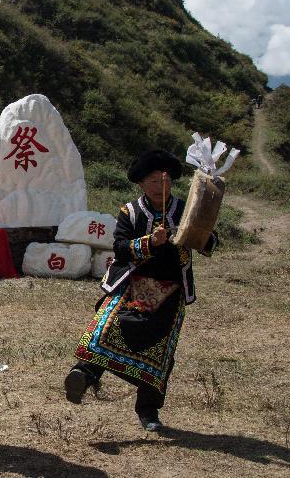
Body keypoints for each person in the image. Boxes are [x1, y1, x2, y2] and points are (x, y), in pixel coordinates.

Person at [64, 149, 218, 431]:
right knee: (106, 328)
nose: (161, 188)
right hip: (132, 286)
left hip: (171, 290)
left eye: (165, 181)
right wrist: (149, 242)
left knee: (161, 352)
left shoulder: (185, 209)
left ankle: (148, 411)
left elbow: (209, 241)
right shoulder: (130, 212)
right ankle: (84, 374)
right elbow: (121, 249)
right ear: (141, 185)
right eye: (153, 183)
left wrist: (197, 233)